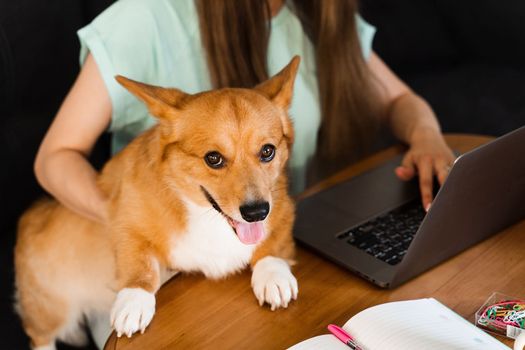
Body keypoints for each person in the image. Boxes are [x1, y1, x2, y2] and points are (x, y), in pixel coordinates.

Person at [35, 0, 454, 227]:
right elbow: (56, 156)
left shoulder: (316, 19)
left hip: (282, 250)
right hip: (165, 266)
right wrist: (125, 223)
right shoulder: (143, 18)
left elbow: (402, 102)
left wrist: (426, 135)